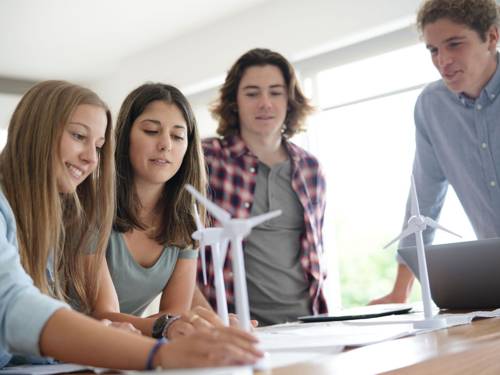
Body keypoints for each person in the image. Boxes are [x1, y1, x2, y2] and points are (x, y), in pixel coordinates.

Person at [0, 80, 262, 370]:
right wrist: (156, 351)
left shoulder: (42, 214)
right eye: (78, 136)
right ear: (36, 131)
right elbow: (16, 308)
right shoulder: (82, 211)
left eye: (98, 147)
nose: (90, 158)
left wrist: (189, 327)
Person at [370, 0, 500, 305]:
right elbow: (423, 201)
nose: (443, 61)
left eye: (454, 44)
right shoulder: (432, 107)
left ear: (492, 37)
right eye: (433, 50)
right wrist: (400, 290)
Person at [198, 48, 327, 326]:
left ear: (290, 100)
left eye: (276, 92)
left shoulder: (310, 169)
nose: (265, 103)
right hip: (234, 326)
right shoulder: (206, 158)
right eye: (252, 93)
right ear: (235, 101)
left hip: (309, 321)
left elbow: (315, 251)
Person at [92, 82, 223, 338]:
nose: (165, 144)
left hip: (118, 348)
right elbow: (102, 316)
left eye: (177, 136)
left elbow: (174, 313)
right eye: (152, 131)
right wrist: (174, 323)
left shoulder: (185, 222)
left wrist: (205, 324)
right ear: (124, 135)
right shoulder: (94, 207)